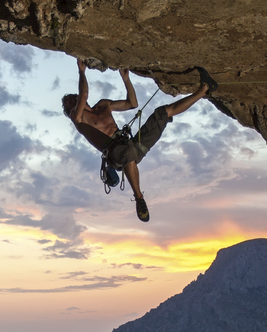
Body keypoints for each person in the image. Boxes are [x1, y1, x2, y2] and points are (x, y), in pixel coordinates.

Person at [62, 60, 217, 222]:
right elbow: (84, 94)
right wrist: (81, 72)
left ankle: (205, 89)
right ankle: (139, 198)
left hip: (131, 146)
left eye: (71, 100)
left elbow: (132, 103)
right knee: (127, 153)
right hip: (116, 154)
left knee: (162, 113)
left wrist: (126, 80)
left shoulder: (103, 105)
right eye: (68, 105)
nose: (72, 104)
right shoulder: (78, 118)